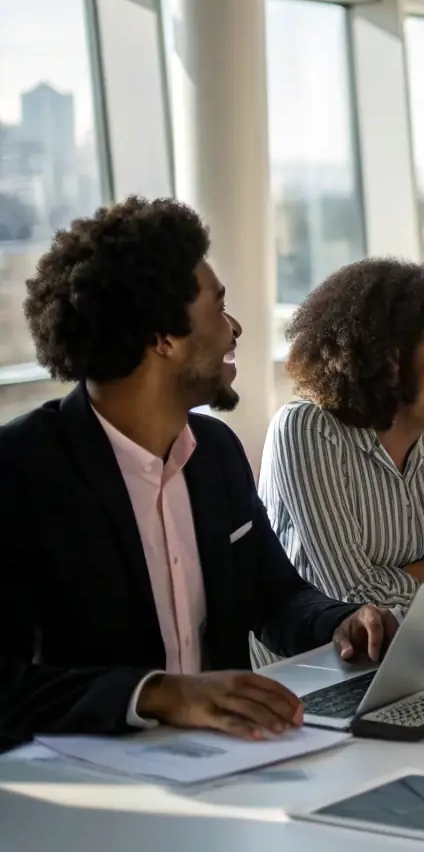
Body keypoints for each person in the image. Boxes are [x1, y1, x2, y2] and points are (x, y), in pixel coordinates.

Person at [0, 197, 397, 749]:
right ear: (163, 336)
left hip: (225, 761)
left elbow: (274, 595)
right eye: (218, 308)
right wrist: (160, 693)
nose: (234, 329)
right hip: (87, 782)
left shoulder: (213, 450)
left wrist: (341, 622)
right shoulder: (20, 471)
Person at [258, 257, 424, 619]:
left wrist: (401, 582)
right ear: (390, 360)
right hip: (312, 663)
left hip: (415, 636)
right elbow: (354, 593)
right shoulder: (308, 430)